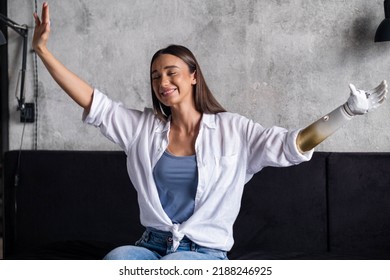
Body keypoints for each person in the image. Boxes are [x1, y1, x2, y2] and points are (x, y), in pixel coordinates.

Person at [32, 3, 387, 260]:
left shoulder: (234, 130)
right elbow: (93, 101)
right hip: (150, 244)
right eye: (155, 76)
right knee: (115, 264)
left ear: (193, 75)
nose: (162, 81)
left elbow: (292, 145)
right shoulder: (142, 128)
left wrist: (346, 112)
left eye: (171, 72)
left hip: (205, 253)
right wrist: (42, 50)